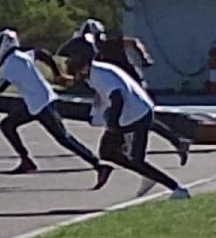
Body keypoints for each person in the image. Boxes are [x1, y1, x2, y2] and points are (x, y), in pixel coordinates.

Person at [0, 28, 113, 187]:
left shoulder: (12, 62)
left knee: (63, 138)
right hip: (35, 103)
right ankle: (26, 161)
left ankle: (99, 165)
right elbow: (42, 54)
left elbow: (0, 87)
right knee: (7, 125)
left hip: (43, 103)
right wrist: (57, 73)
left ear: (4, 46)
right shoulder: (20, 56)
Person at [64, 36, 190, 200]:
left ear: (81, 58)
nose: (67, 62)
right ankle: (150, 172)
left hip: (136, 115)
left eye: (71, 58)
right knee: (110, 153)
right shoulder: (94, 73)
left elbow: (117, 97)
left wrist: (112, 126)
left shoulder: (99, 75)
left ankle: (178, 189)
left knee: (131, 158)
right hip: (133, 113)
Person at [73, 18, 190, 164]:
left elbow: (133, 42)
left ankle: (128, 150)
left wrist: (144, 57)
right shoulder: (94, 54)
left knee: (135, 118)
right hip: (122, 86)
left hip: (131, 84)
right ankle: (177, 142)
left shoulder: (110, 43)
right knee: (139, 120)